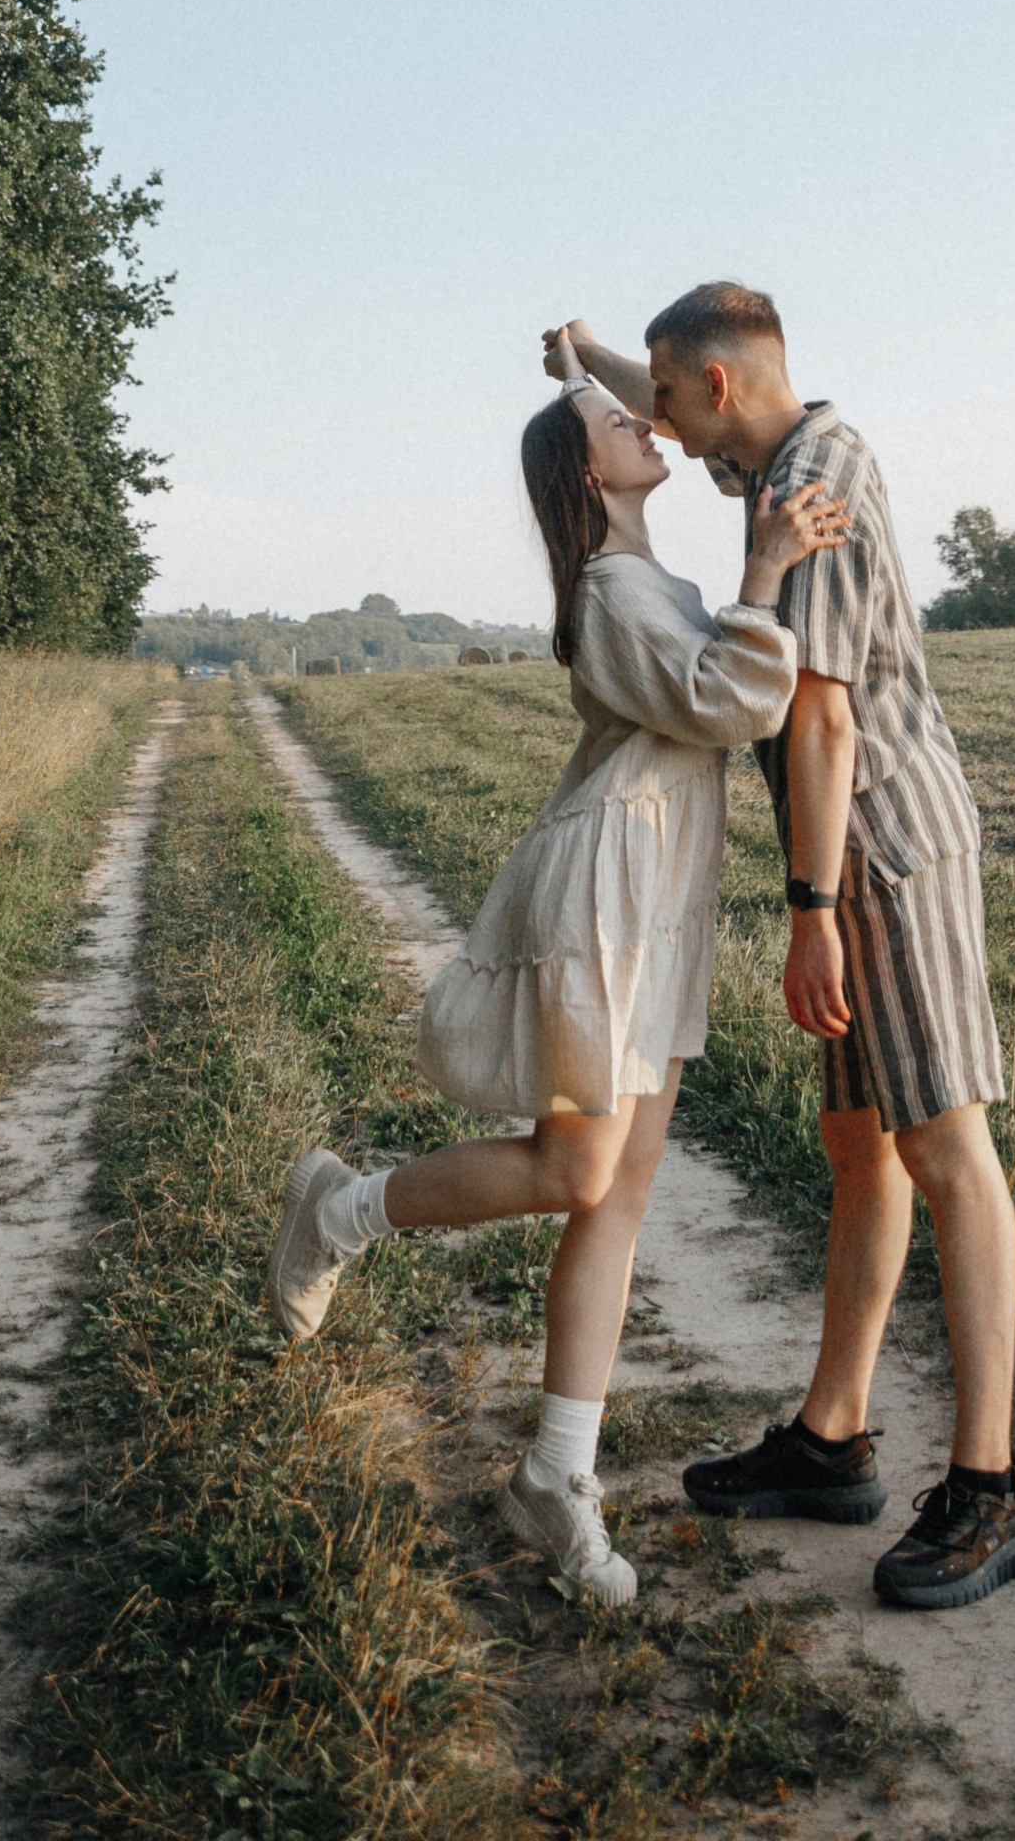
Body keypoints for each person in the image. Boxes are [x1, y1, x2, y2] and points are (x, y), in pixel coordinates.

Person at [267, 361, 837, 1608]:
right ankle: (341, 1211)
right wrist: (765, 575)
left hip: (659, 905)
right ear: (590, 471)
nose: (644, 423)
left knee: (616, 1200)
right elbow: (738, 702)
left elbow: (722, 426)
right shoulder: (613, 589)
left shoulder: (645, 574)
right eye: (614, 423)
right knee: (580, 1170)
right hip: (603, 902)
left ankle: (554, 1478)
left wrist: (586, 352)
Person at [545, 285, 1015, 1615]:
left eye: (655, 393)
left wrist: (813, 910)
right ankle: (832, 1439)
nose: (644, 415)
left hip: (879, 844)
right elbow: (681, 391)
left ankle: (993, 1486)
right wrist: (587, 355)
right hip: (861, 845)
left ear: (712, 391)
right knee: (861, 1146)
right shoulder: (784, 447)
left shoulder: (802, 494)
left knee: (948, 1145)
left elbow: (817, 722)